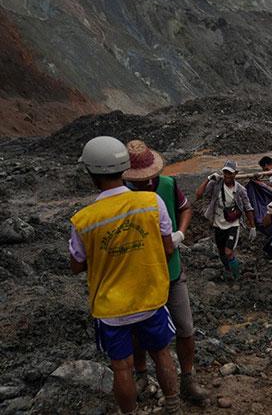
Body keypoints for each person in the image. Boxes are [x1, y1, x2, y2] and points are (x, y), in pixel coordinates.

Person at [68, 136, 181, 414]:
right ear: (124, 168)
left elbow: (76, 265)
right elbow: (168, 247)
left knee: (121, 367)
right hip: (150, 297)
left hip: (112, 309)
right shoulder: (151, 202)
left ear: (92, 174)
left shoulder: (83, 220)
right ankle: (174, 405)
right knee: (162, 353)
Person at [122, 140, 209, 404]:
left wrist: (180, 233)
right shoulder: (122, 195)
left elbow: (185, 207)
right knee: (137, 330)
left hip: (171, 270)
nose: (144, 181)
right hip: (139, 275)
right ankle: (141, 374)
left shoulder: (168, 185)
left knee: (185, 327)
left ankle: (188, 378)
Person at [195, 161, 256, 281]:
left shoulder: (240, 189)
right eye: (225, 172)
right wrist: (208, 179)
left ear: (235, 173)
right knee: (221, 252)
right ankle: (228, 269)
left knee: (228, 252)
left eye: (230, 173)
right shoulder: (216, 184)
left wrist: (252, 227)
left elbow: (248, 207)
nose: (227, 175)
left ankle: (236, 276)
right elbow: (198, 195)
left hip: (233, 224)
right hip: (218, 223)